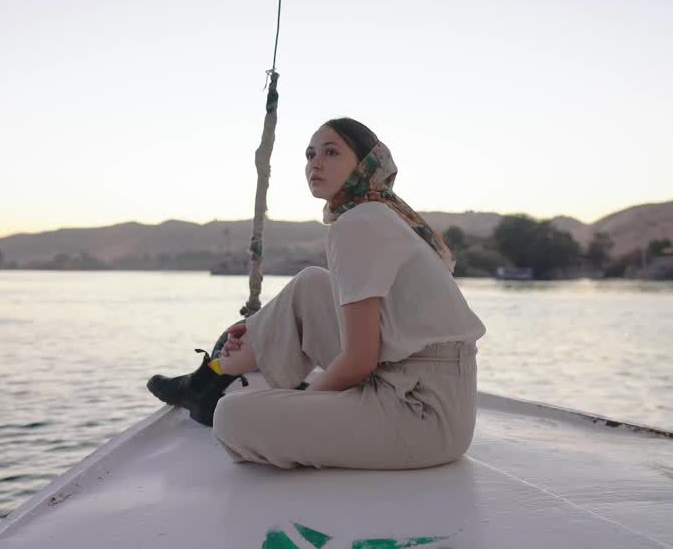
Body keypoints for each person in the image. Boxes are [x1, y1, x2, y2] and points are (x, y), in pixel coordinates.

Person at [147, 117, 486, 469]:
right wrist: (261, 332)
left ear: (366, 163)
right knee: (311, 283)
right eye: (310, 155)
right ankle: (213, 377)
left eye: (331, 152)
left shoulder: (358, 224)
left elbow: (360, 359)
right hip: (420, 387)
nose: (315, 164)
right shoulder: (375, 215)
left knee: (231, 416)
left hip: (422, 415)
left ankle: (215, 382)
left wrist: (307, 403)